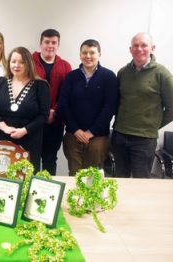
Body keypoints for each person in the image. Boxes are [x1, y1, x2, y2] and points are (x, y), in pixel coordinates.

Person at [111, 32, 173, 178]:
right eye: (136, 46)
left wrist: (152, 125)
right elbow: (117, 102)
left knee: (141, 181)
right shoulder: (123, 73)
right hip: (120, 135)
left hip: (144, 140)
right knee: (120, 180)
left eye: (144, 45)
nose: (140, 49)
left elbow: (172, 108)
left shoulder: (162, 74)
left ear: (152, 48)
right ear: (130, 49)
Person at [59, 39, 118, 176]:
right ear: (80, 55)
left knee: (92, 177)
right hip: (73, 136)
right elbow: (63, 105)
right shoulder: (71, 77)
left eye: (92, 52)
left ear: (99, 54)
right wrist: (76, 130)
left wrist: (91, 131)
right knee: (74, 175)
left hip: (98, 137)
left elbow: (109, 107)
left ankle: (92, 199)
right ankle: (74, 198)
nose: (88, 56)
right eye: (84, 52)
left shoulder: (109, 77)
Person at [0, 47, 50, 171]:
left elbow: (44, 115)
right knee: (2, 176)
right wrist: (4, 127)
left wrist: (24, 130)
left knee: (25, 178)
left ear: (29, 63)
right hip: (3, 138)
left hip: (29, 139)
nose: (17, 65)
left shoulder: (41, 85)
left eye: (22, 62)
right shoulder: (1, 82)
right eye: (13, 61)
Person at [32, 29, 72, 176]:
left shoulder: (65, 66)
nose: (50, 45)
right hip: (33, 122)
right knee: (31, 159)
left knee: (50, 159)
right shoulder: (29, 62)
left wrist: (54, 111)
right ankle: (30, 193)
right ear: (40, 44)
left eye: (54, 42)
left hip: (55, 122)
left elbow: (66, 94)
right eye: (47, 42)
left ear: (58, 45)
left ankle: (49, 193)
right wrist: (41, 113)